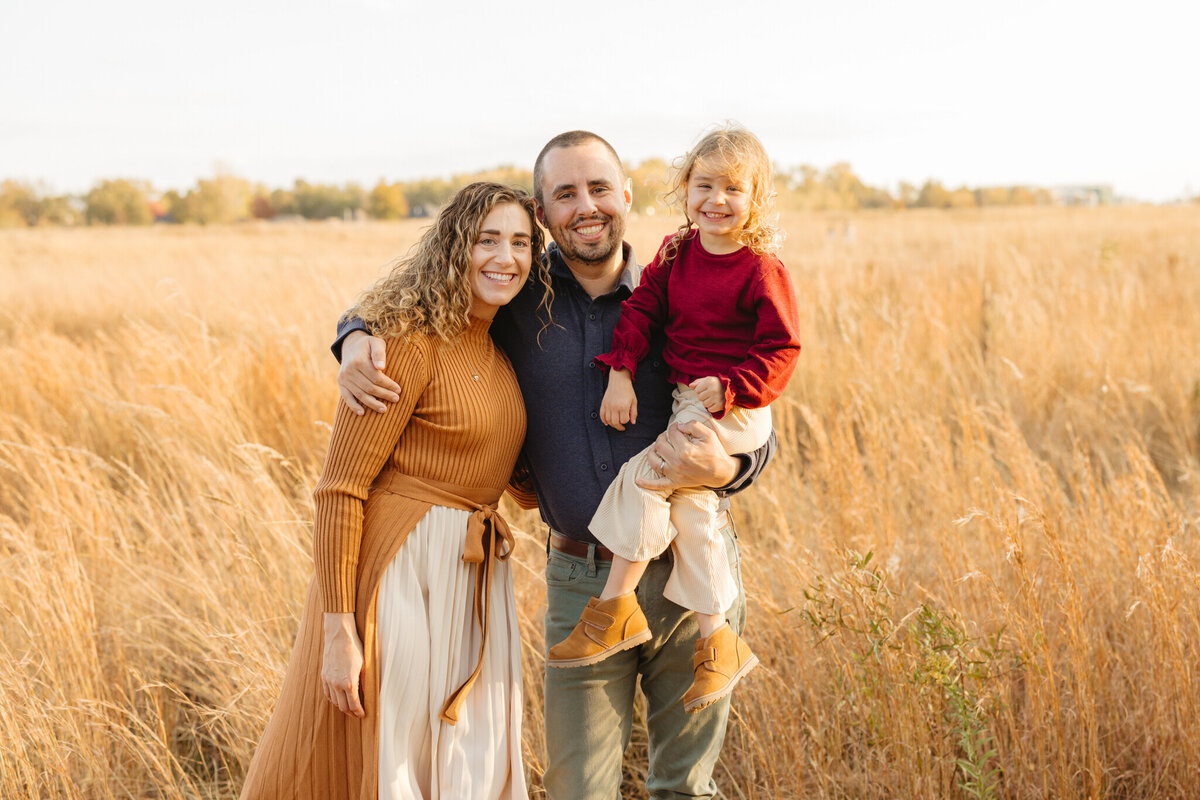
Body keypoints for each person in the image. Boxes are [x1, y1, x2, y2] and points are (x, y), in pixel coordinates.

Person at [334, 132, 774, 800]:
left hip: (694, 569)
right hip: (580, 581)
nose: (586, 206)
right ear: (542, 213)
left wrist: (732, 467)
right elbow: (414, 304)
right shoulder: (516, 298)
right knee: (576, 790)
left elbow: (757, 404)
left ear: (626, 196)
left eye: (599, 188)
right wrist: (353, 335)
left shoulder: (682, 284)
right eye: (565, 194)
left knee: (685, 786)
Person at [241, 182, 548, 800]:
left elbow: (513, 480)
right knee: (393, 757)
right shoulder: (405, 340)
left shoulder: (499, 346)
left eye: (520, 243)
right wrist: (338, 630)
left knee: (464, 758)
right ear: (454, 247)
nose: (504, 257)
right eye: (487, 240)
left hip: (470, 573)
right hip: (400, 570)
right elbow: (340, 489)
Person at [547, 126, 801, 714]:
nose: (716, 199)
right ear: (684, 190)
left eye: (733, 188)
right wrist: (620, 370)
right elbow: (641, 310)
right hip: (693, 398)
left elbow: (782, 349)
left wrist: (734, 385)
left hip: (733, 405)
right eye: (703, 184)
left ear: (756, 197)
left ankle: (614, 607)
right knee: (691, 507)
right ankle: (719, 641)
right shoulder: (674, 254)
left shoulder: (761, 268)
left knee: (646, 476)